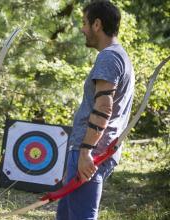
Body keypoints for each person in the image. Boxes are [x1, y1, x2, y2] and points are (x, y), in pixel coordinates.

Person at [56, 1, 134, 219]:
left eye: (84, 23)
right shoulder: (120, 56)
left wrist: (84, 153)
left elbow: (104, 107)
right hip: (92, 150)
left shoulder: (109, 57)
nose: (82, 29)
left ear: (97, 24)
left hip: (92, 152)